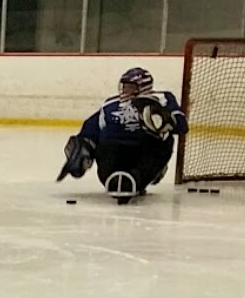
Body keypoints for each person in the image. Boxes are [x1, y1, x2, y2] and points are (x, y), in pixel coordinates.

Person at [59, 67, 188, 203]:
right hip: (115, 149)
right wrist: (83, 146)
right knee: (108, 172)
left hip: (146, 149)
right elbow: (91, 128)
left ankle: (151, 172)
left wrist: (167, 120)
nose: (125, 90)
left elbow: (182, 125)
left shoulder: (162, 100)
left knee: (161, 146)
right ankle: (120, 178)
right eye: (124, 86)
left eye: (130, 87)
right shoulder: (110, 104)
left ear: (143, 87)